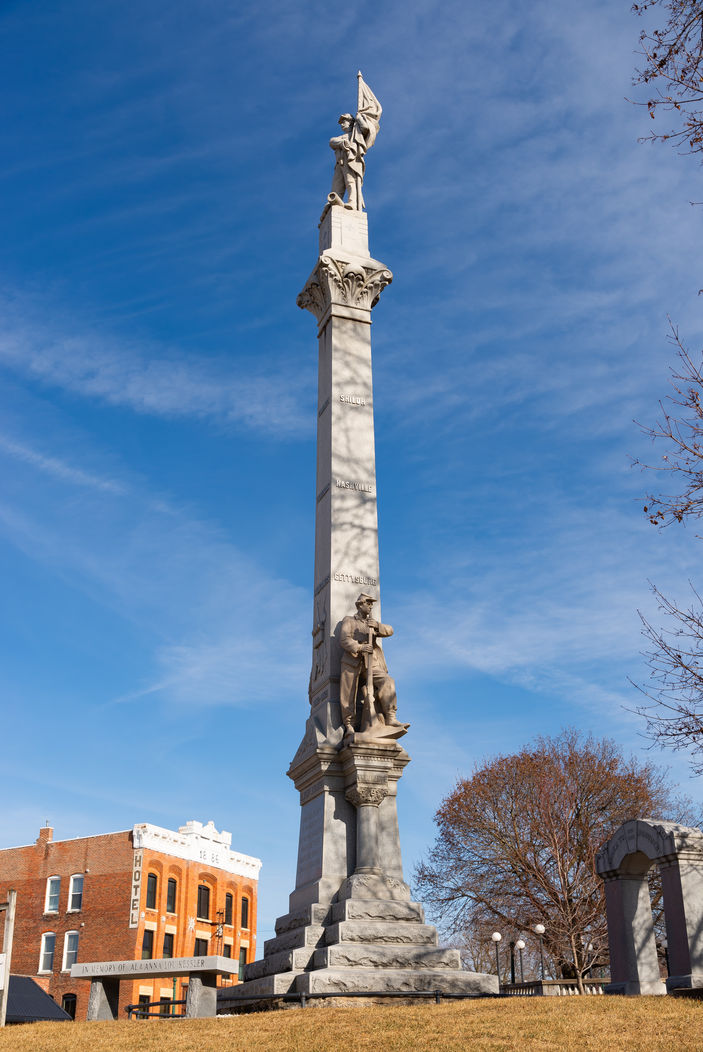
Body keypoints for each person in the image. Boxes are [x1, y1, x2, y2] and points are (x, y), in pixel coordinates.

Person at [339, 592, 402, 735]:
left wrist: (378, 626)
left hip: (370, 663)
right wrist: (360, 647)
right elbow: (344, 639)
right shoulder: (349, 620)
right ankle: (349, 725)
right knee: (348, 695)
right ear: (359, 605)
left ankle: (390, 716)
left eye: (372, 604)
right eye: (368, 603)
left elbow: (390, 630)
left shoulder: (371, 623)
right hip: (352, 662)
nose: (370, 606)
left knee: (388, 681)